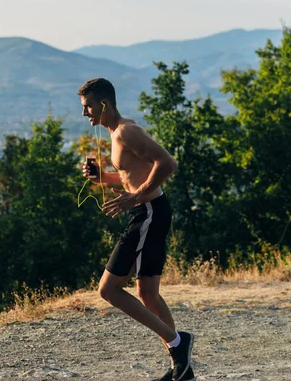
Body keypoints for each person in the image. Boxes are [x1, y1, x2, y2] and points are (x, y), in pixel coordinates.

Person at [79, 78, 195, 381]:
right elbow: (131, 177)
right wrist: (103, 178)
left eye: (88, 106)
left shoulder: (126, 132)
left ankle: (178, 343)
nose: (85, 113)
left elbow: (167, 163)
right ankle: (181, 367)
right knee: (148, 293)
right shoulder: (116, 135)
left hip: (149, 213)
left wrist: (137, 195)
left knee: (108, 290)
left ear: (103, 104)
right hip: (148, 211)